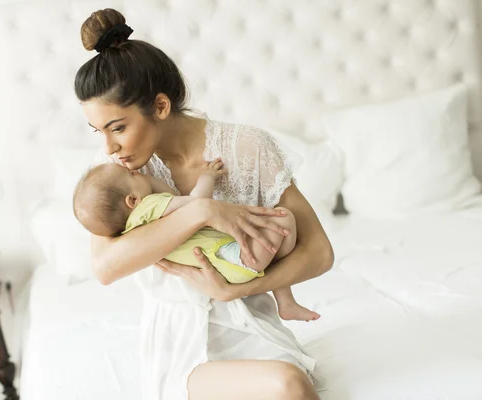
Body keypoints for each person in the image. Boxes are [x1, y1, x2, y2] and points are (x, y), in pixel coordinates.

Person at [74, 8, 334, 400]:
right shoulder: (113, 173)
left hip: (253, 326)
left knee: (288, 384)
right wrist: (203, 209)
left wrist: (246, 288)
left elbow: (319, 252)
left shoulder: (246, 148)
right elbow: (106, 268)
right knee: (285, 386)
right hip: (180, 342)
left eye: (119, 128)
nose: (109, 147)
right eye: (99, 132)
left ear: (160, 107)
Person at [74, 159, 321, 322]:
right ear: (132, 201)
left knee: (278, 238)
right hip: (231, 257)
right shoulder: (148, 208)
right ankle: (286, 301)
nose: (136, 171)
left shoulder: (133, 230)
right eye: (130, 174)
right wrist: (208, 177)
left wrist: (140, 180)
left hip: (225, 267)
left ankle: (286, 304)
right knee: (283, 219)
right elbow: (196, 202)